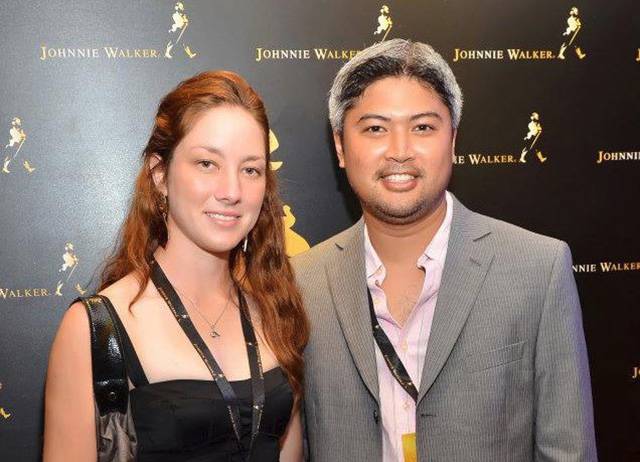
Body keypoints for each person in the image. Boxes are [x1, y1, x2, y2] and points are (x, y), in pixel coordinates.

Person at [293, 39, 597, 462]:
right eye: (376, 128)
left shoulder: (536, 269)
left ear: (453, 140)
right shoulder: (300, 282)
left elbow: (568, 451)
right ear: (341, 147)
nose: (400, 151)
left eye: (422, 127)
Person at [44, 70, 308, 461]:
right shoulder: (96, 328)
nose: (232, 191)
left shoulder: (273, 308)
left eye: (250, 169)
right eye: (207, 163)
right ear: (160, 174)